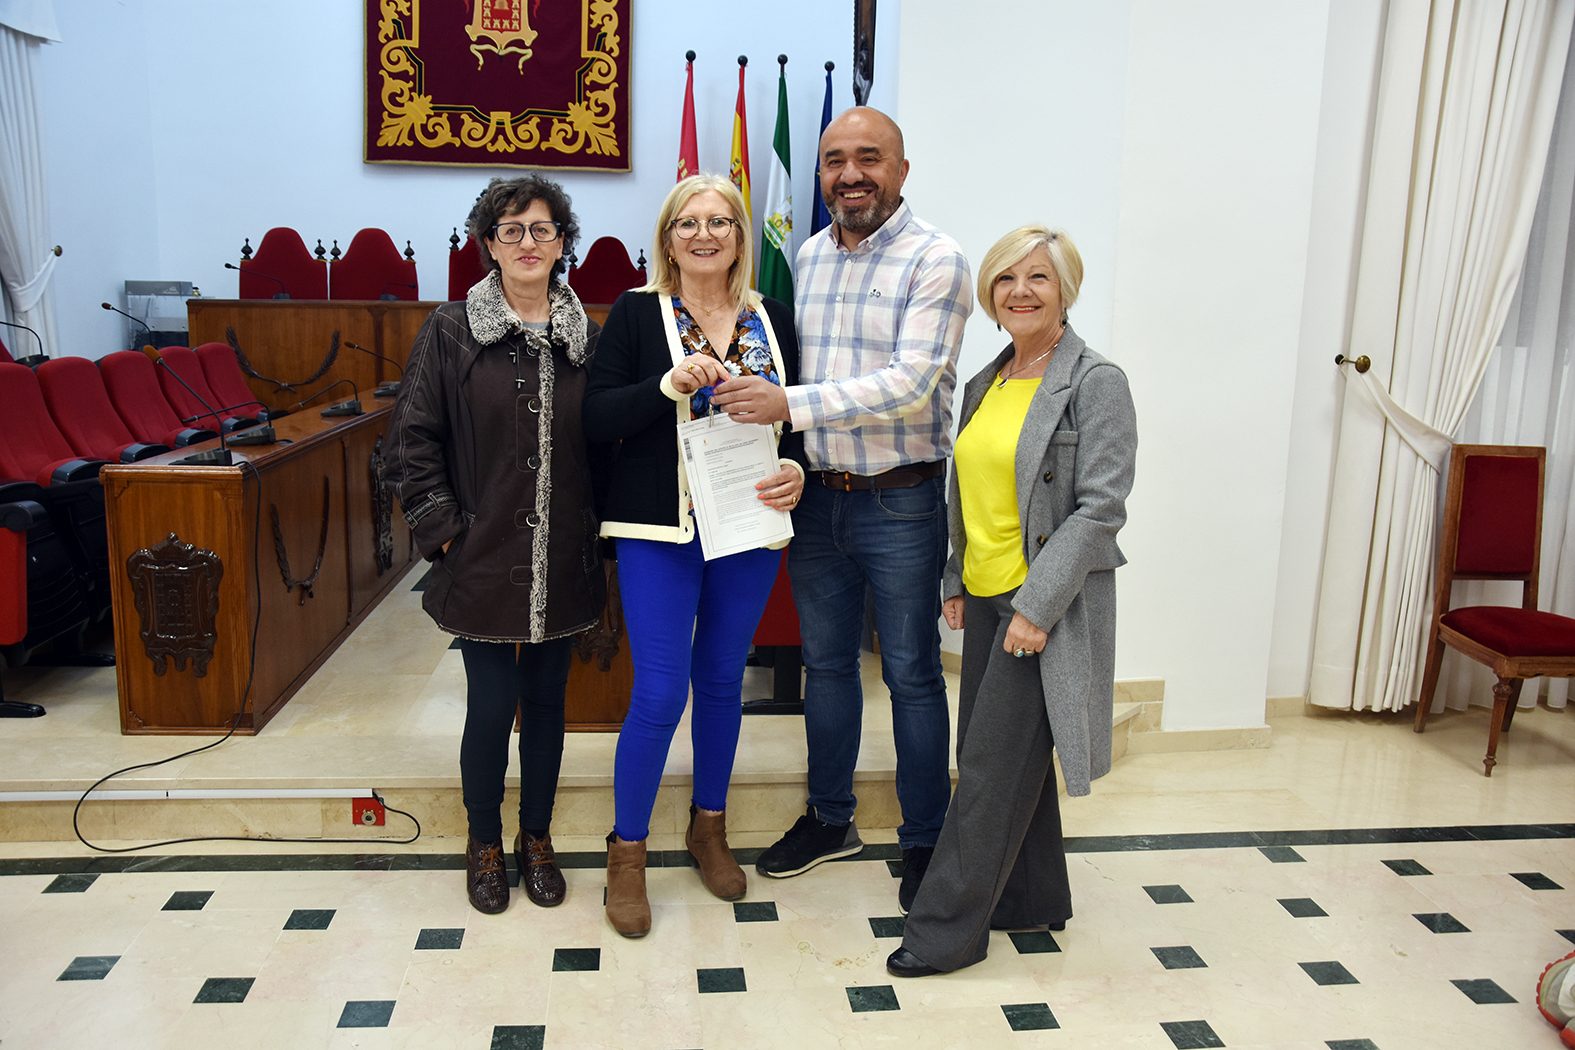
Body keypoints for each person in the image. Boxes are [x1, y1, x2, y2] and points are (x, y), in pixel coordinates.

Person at [711, 107, 971, 909]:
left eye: (868, 158)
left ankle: (926, 837)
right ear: (820, 173)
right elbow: (793, 365)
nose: (849, 174)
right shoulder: (809, 254)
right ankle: (831, 819)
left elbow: (911, 384)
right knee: (825, 668)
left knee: (911, 674)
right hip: (818, 501)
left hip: (902, 501)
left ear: (900, 169)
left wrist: (786, 404)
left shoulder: (937, 259)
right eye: (833, 160)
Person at [885, 226, 1137, 977]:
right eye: (1005, 279)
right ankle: (1030, 896)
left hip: (1043, 608)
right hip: (989, 595)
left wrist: (1036, 607)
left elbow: (1100, 510)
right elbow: (970, 490)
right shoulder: (986, 381)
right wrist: (957, 577)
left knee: (989, 768)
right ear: (990, 295)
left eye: (1038, 278)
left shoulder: (1096, 382)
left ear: (1065, 290)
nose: (1020, 292)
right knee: (999, 753)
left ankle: (944, 933)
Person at [583, 173, 806, 938]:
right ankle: (627, 853)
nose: (703, 234)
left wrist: (797, 469)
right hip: (660, 529)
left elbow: (795, 418)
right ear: (668, 238)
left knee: (719, 683)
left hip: (747, 524)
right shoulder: (636, 313)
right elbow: (596, 416)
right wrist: (666, 384)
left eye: (719, 222)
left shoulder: (772, 317)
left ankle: (709, 828)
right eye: (688, 222)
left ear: (740, 237)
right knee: (658, 692)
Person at [387, 176, 606, 916]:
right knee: (490, 706)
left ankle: (534, 837)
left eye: (542, 229)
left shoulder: (587, 337)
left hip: (563, 555)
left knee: (546, 706)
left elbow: (604, 442)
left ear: (562, 242)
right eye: (511, 230)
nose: (527, 243)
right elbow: (411, 439)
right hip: (480, 555)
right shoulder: (451, 329)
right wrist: (445, 535)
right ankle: (482, 840)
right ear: (489, 244)